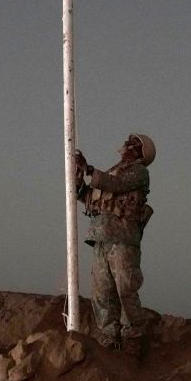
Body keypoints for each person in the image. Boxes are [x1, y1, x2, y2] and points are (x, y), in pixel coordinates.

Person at [75, 133, 157, 355]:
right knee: (102, 290)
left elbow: (117, 185)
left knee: (125, 288)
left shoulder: (139, 172)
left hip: (123, 237)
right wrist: (78, 179)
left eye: (134, 144)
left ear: (140, 153)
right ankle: (109, 334)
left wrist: (89, 169)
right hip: (101, 236)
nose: (126, 145)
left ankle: (135, 334)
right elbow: (90, 197)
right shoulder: (112, 171)